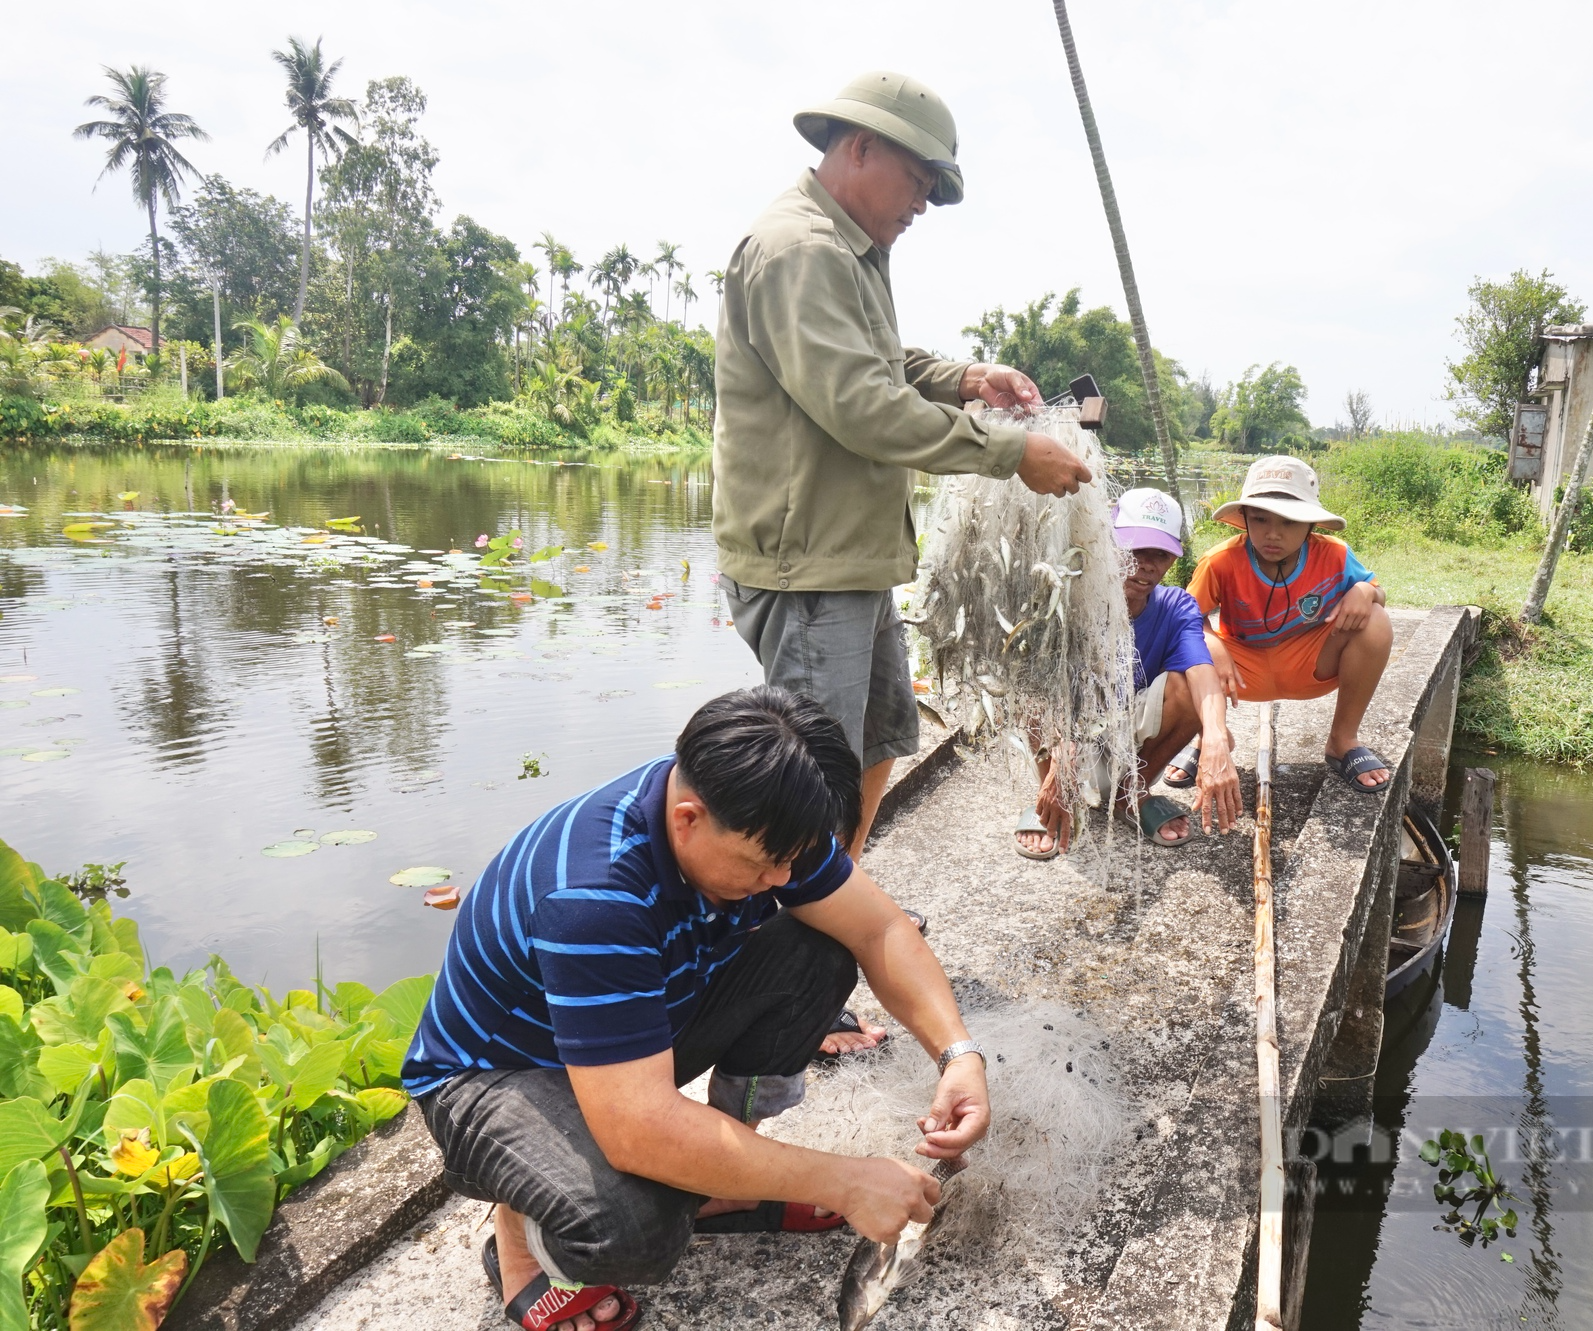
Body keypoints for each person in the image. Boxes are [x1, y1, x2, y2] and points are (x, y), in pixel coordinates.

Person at [404, 687, 991, 1331]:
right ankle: (518, 1237)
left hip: (623, 1048)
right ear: (687, 818)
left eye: (791, 862)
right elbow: (637, 1129)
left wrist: (958, 1056)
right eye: (764, 866)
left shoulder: (767, 815)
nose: (780, 881)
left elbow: (878, 930)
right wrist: (842, 1181)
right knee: (636, 1228)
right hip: (494, 1078)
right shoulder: (594, 896)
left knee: (817, 951)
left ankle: (722, 1181)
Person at [714, 71, 1092, 863]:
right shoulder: (798, 250)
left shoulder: (853, 248)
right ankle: (794, 935)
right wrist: (1012, 451)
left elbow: (881, 364)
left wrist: (963, 379)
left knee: (883, 731)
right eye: (916, 184)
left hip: (852, 559)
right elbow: (861, 406)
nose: (919, 205)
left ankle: (834, 889)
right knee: (811, 773)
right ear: (859, 149)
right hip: (808, 570)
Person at [1013, 488, 1241, 858]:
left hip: (1131, 741)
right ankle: (1054, 796)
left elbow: (1201, 671)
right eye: (1134, 549)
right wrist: (1061, 757)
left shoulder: (1176, 605)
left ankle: (1129, 793)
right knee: (1029, 683)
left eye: (1160, 555)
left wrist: (1214, 738)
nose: (1146, 564)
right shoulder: (1069, 596)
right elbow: (1047, 681)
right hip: (1066, 736)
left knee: (1190, 686)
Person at [1186, 456, 1395, 793]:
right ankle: (1209, 737)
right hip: (1240, 672)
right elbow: (1186, 617)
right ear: (1245, 519)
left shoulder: (1336, 555)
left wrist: (1364, 591)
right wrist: (1213, 646)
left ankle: (1343, 740)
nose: (1273, 534)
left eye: (1289, 522)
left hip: (1310, 663)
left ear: (1311, 525)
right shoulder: (1220, 562)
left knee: (1376, 621)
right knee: (1183, 647)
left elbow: (1377, 592)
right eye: (1260, 519)